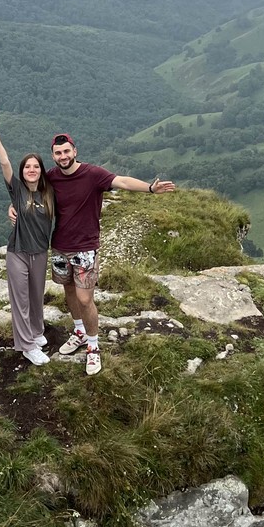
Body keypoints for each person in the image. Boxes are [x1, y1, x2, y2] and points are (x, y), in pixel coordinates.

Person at [44, 132, 175, 376]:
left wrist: (149, 188)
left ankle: (93, 347)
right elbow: (28, 189)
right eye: (58, 153)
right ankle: (79, 332)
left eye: (66, 151)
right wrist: (13, 206)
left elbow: (122, 181)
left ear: (75, 151)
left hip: (85, 246)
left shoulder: (93, 174)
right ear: (53, 156)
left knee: (85, 299)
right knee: (69, 291)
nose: (63, 156)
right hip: (60, 245)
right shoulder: (51, 177)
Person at [0, 106, 54, 365]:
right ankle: (26, 345)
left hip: (41, 251)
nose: (31, 170)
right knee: (21, 298)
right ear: (23, 172)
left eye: (36, 166)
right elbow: (4, 162)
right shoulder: (17, 190)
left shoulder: (50, 193)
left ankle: (36, 332)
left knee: (37, 295)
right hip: (18, 252)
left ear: (41, 170)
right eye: (28, 167)